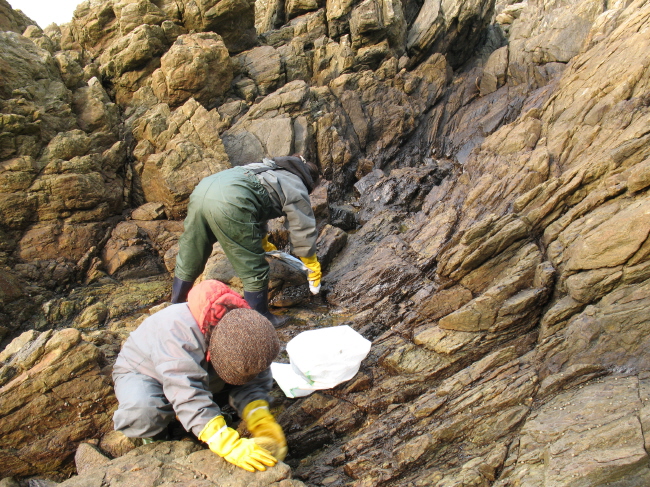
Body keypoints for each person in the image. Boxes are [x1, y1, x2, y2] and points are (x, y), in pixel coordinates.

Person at [112, 279, 288, 472]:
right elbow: (187, 393)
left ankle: (202, 420)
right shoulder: (178, 335)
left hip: (194, 366)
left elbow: (255, 373)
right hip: (144, 371)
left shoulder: (247, 324)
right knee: (144, 412)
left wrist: (259, 415)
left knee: (243, 370)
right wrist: (224, 441)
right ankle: (156, 438)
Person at [170, 155, 322, 328]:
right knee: (253, 265)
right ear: (310, 180)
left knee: (192, 252)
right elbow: (302, 228)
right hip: (231, 200)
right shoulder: (297, 185)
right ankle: (260, 317)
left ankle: (176, 307)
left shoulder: (267, 168)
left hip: (203, 189)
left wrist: (263, 240)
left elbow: (257, 204)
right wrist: (311, 263)